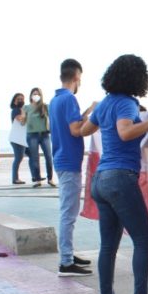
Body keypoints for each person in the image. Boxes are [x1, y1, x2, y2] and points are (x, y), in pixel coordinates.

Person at [89, 55, 148, 294]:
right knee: (143, 239)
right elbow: (124, 132)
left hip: (99, 180)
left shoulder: (106, 103)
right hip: (121, 178)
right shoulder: (126, 103)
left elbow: (84, 130)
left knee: (108, 245)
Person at [49, 59, 97, 277]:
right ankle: (66, 262)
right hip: (69, 161)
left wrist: (86, 111)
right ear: (77, 77)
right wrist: (94, 115)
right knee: (68, 212)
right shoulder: (69, 99)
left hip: (61, 158)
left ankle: (68, 253)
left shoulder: (55, 99)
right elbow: (76, 130)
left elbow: (71, 124)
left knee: (68, 211)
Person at [25, 87, 54, 188]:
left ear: (41, 96)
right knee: (34, 158)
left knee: (49, 157)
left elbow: (53, 118)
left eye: (38, 94)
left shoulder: (45, 106)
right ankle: (37, 179)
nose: (36, 96)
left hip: (44, 134)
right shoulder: (26, 107)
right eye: (34, 94)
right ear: (31, 96)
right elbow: (22, 121)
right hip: (31, 135)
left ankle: (50, 178)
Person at [8, 92, 35, 185]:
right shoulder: (16, 110)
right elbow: (21, 119)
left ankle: (35, 176)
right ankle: (15, 179)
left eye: (22, 98)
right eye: (18, 99)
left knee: (32, 155)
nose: (20, 100)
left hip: (23, 139)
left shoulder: (23, 110)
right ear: (14, 101)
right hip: (17, 139)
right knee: (18, 158)